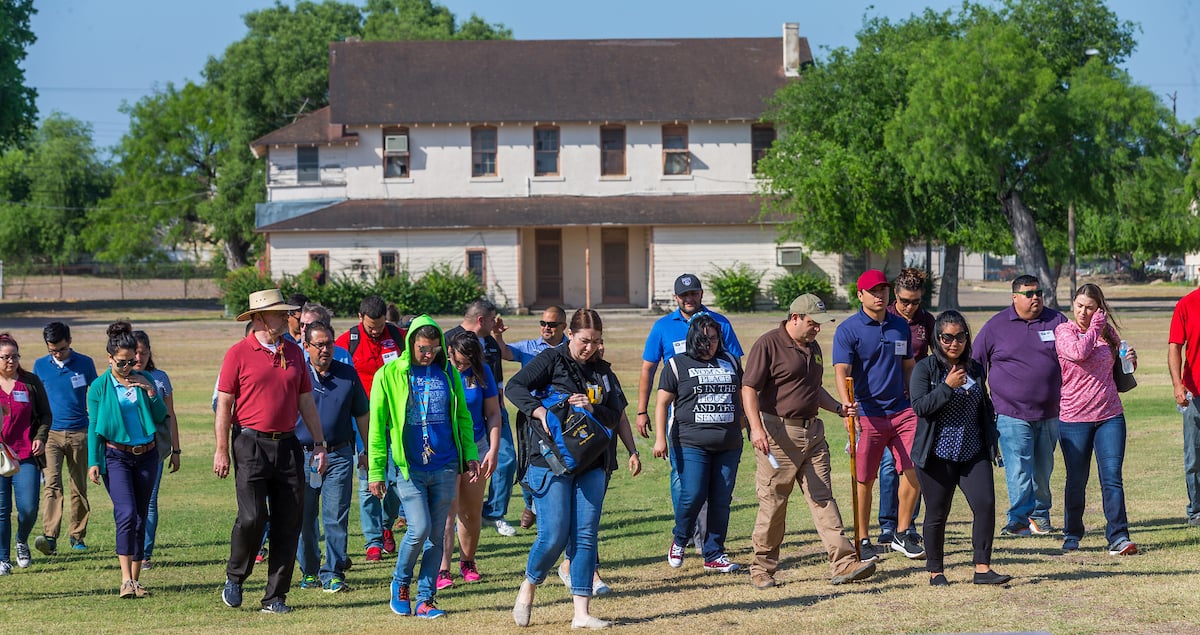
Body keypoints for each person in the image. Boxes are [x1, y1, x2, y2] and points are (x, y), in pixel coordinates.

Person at [741, 295, 876, 589]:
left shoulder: (813, 348)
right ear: (795, 318)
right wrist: (756, 428)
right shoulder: (768, 344)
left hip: (813, 433)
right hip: (778, 435)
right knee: (774, 503)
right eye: (813, 323)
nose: (818, 329)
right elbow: (749, 388)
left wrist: (839, 407)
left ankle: (844, 563)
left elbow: (812, 390)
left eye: (820, 324)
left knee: (823, 497)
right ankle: (762, 568)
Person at [215, 289, 329, 614]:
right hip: (250, 443)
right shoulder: (238, 353)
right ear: (261, 318)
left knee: (288, 522)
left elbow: (306, 400)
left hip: (289, 445)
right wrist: (221, 448)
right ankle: (235, 577)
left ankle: (275, 597)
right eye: (281, 313)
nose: (287, 317)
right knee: (252, 518)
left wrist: (319, 444)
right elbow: (224, 403)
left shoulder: (293, 352)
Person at [508, 309, 624, 630]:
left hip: (593, 461)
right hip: (551, 460)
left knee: (585, 536)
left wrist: (593, 407)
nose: (591, 348)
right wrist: (540, 411)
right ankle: (529, 585)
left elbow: (615, 415)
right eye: (585, 341)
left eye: (597, 342)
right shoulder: (551, 360)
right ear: (570, 335)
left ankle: (581, 614)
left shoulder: (602, 372)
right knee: (554, 535)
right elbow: (514, 387)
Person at [368, 316, 479, 619]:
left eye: (433, 349)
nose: (427, 354)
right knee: (418, 528)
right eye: (421, 348)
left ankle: (425, 599)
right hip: (410, 468)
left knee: (437, 535)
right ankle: (400, 584)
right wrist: (376, 471)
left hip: (444, 465)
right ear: (410, 344)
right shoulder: (388, 374)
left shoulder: (447, 374)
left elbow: (462, 418)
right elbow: (377, 428)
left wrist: (469, 454)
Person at [636, 273, 743, 552]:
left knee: (715, 487)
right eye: (684, 295)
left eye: (693, 293)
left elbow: (735, 368)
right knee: (684, 482)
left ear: (701, 294)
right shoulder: (663, 327)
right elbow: (648, 369)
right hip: (679, 414)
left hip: (718, 411)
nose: (689, 298)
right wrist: (641, 410)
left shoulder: (720, 324)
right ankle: (687, 532)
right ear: (676, 298)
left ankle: (705, 540)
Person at [910, 311, 1011, 586]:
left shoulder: (975, 368)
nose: (954, 343)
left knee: (986, 504)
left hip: (972, 451)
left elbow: (983, 404)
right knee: (937, 513)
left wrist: (991, 435)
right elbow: (920, 407)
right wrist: (946, 387)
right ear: (937, 338)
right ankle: (935, 571)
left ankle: (982, 568)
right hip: (936, 454)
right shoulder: (926, 368)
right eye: (947, 338)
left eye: (960, 337)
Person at [833, 270, 923, 561]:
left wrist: (917, 400)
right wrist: (849, 407)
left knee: (915, 468)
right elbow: (841, 372)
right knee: (864, 479)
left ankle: (902, 531)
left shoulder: (900, 326)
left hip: (902, 411)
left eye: (883, 289)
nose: (880, 295)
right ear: (860, 295)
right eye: (873, 291)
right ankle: (863, 538)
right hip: (867, 414)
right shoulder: (848, 329)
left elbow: (908, 366)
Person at [973, 275, 1067, 537]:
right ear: (1014, 297)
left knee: (1043, 468)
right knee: (1018, 468)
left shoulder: (1057, 322)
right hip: (1010, 412)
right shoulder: (996, 326)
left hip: (1050, 412)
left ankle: (1040, 515)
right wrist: (982, 401)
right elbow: (975, 364)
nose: (1035, 297)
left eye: (1038, 292)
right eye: (1028, 294)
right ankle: (1019, 519)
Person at [654, 314, 744, 573]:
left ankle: (714, 553)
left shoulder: (729, 361)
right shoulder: (676, 364)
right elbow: (662, 404)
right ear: (693, 338)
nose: (709, 344)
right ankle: (680, 538)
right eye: (704, 339)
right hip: (690, 441)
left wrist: (748, 421)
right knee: (693, 493)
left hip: (728, 442)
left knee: (721, 499)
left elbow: (741, 393)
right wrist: (661, 438)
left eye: (714, 339)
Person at [87, 322, 171, 598]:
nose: (127, 367)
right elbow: (94, 426)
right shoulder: (99, 387)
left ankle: (136, 580)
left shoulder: (141, 378)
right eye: (121, 362)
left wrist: (150, 391)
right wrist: (93, 461)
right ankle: (125, 579)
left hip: (146, 455)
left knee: (140, 515)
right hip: (116, 457)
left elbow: (160, 416)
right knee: (126, 514)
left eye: (131, 361)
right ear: (109, 358)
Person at [1054, 284, 1138, 555]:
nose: (1084, 312)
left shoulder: (1106, 332)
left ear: (1099, 308)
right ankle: (1072, 533)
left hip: (1110, 415)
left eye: (1090, 307)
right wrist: (1094, 328)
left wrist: (1130, 360)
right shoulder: (1064, 330)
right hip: (1074, 419)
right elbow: (1078, 352)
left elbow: (1117, 363)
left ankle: (1118, 536)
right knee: (1077, 479)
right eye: (1079, 305)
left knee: (1112, 477)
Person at [295, 321, 369, 593]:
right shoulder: (297, 374)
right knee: (304, 516)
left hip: (339, 454)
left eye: (329, 343)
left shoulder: (348, 375)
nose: (325, 349)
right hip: (303, 456)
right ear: (307, 346)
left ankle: (333, 572)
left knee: (336, 515)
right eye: (319, 344)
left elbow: (362, 414)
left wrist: (366, 451)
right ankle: (309, 571)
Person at [335, 295, 405, 561]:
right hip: (363, 422)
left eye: (380, 325)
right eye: (371, 327)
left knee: (398, 480)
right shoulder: (346, 342)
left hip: (396, 420)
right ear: (359, 317)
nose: (376, 331)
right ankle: (372, 540)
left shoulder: (398, 337)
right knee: (367, 480)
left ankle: (386, 525)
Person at [445, 299, 519, 538]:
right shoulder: (449, 339)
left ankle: (494, 512)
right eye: (491, 318)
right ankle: (443, 561)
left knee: (505, 460)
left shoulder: (489, 341)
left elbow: (495, 372)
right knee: (448, 508)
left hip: (488, 411)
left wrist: (497, 337)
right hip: (450, 440)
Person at [436, 331, 501, 590]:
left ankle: (468, 562)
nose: (461, 366)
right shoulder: (439, 371)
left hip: (478, 448)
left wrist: (493, 450)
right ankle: (442, 569)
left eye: (466, 362)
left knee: (471, 512)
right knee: (447, 514)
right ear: (449, 351)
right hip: (447, 451)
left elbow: (494, 413)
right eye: (459, 361)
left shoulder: (482, 372)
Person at [500, 305, 570, 529]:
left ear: (564, 327)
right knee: (529, 460)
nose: (546, 328)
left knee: (558, 459)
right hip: (532, 414)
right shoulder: (530, 347)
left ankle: (546, 503)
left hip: (561, 415)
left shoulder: (570, 349)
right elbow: (506, 352)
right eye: (543, 323)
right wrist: (497, 336)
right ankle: (530, 503)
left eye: (551, 324)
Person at [32, 321, 97, 556]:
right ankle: (49, 537)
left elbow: (97, 394)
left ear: (69, 341)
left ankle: (77, 535)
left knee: (79, 485)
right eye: (52, 350)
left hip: (80, 432)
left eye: (61, 348)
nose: (57, 353)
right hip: (50, 434)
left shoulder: (85, 363)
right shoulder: (39, 366)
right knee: (51, 485)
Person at [878, 267, 932, 547]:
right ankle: (888, 525)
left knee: (913, 465)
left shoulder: (926, 321)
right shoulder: (884, 319)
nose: (910, 307)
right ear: (894, 296)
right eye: (904, 301)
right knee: (889, 466)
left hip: (916, 403)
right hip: (886, 403)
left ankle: (908, 523)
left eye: (916, 301)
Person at [0, 333, 51, 575]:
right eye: (6, 357)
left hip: (25, 454)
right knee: (1, 510)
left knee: (29, 507)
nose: (11, 361)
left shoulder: (30, 382)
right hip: (0, 456)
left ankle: (21, 540)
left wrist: (40, 437)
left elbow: (45, 415)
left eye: (15, 356)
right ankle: (3, 559)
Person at [132, 330, 182, 570]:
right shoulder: (121, 378)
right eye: (135, 352)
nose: (139, 357)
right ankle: (129, 548)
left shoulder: (160, 378)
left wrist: (177, 449)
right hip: (126, 449)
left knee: (150, 502)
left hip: (156, 449)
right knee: (129, 503)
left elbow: (170, 415)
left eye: (144, 352)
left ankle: (144, 554)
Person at [1167, 285, 1200, 526]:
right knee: (1194, 457)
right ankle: (1197, 511)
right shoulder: (1186, 304)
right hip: (1195, 392)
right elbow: (1175, 347)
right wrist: (1178, 384)